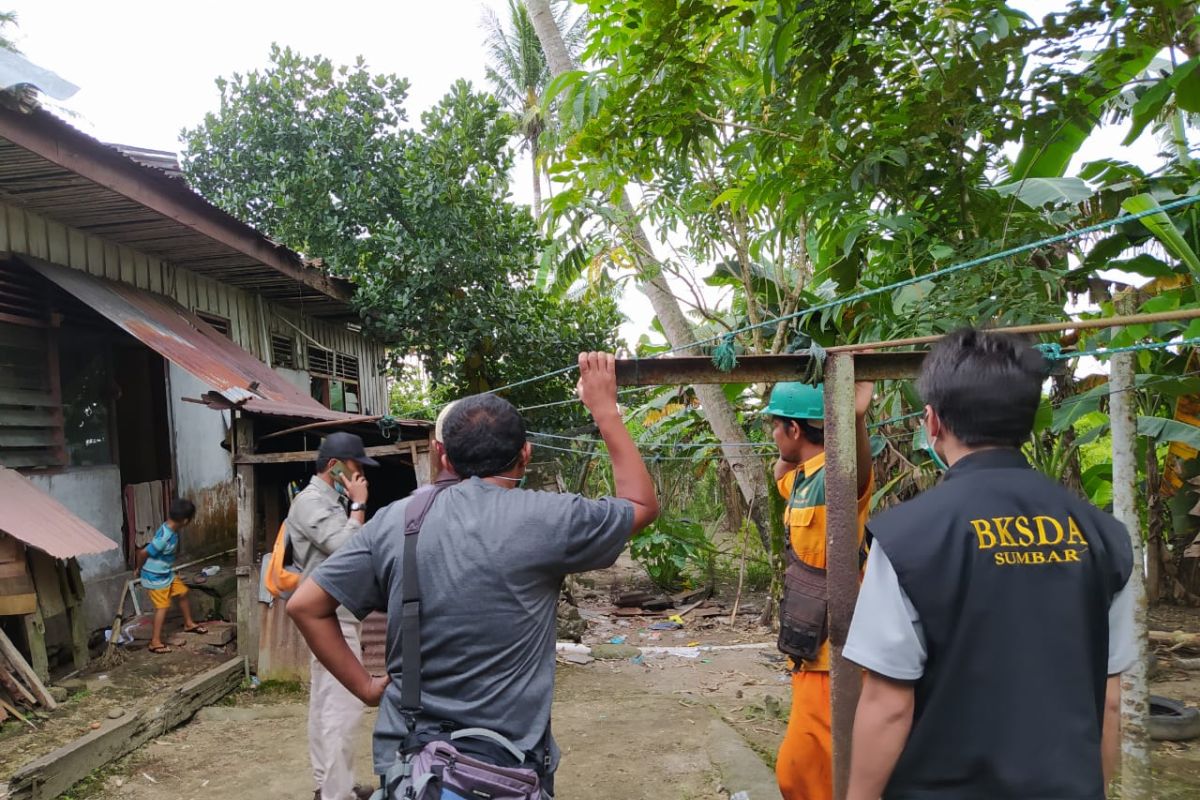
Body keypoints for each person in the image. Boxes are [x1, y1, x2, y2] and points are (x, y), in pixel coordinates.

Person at [287, 352, 658, 795]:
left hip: (412, 762)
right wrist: (605, 410)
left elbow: (306, 605)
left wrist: (367, 688)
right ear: (526, 454)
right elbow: (641, 505)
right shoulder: (548, 518)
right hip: (511, 764)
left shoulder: (396, 520)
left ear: (444, 455)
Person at [843, 328, 1135, 800]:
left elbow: (888, 704)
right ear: (1027, 421)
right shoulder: (1105, 537)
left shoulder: (906, 539)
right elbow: (1110, 698)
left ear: (932, 422)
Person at [766, 380, 874, 800]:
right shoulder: (803, 479)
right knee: (806, 771)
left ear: (795, 430)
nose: (772, 434)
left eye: (776, 426)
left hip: (837, 652)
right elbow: (780, 474)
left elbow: (859, 473)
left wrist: (855, 420)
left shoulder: (838, 475)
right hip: (810, 645)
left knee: (812, 769)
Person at [286, 431, 378, 800]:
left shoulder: (327, 500)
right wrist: (359, 507)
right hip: (330, 617)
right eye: (356, 467)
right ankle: (337, 794)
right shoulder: (310, 502)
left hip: (335, 614)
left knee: (327, 703)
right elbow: (343, 548)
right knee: (343, 705)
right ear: (334, 466)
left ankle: (331, 785)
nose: (360, 476)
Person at [137, 497, 207, 654]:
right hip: (155, 577)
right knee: (162, 607)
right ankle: (154, 642)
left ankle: (188, 623)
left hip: (166, 573)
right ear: (185, 521)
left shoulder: (171, 528)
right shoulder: (164, 537)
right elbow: (143, 553)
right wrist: (138, 569)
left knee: (182, 592)